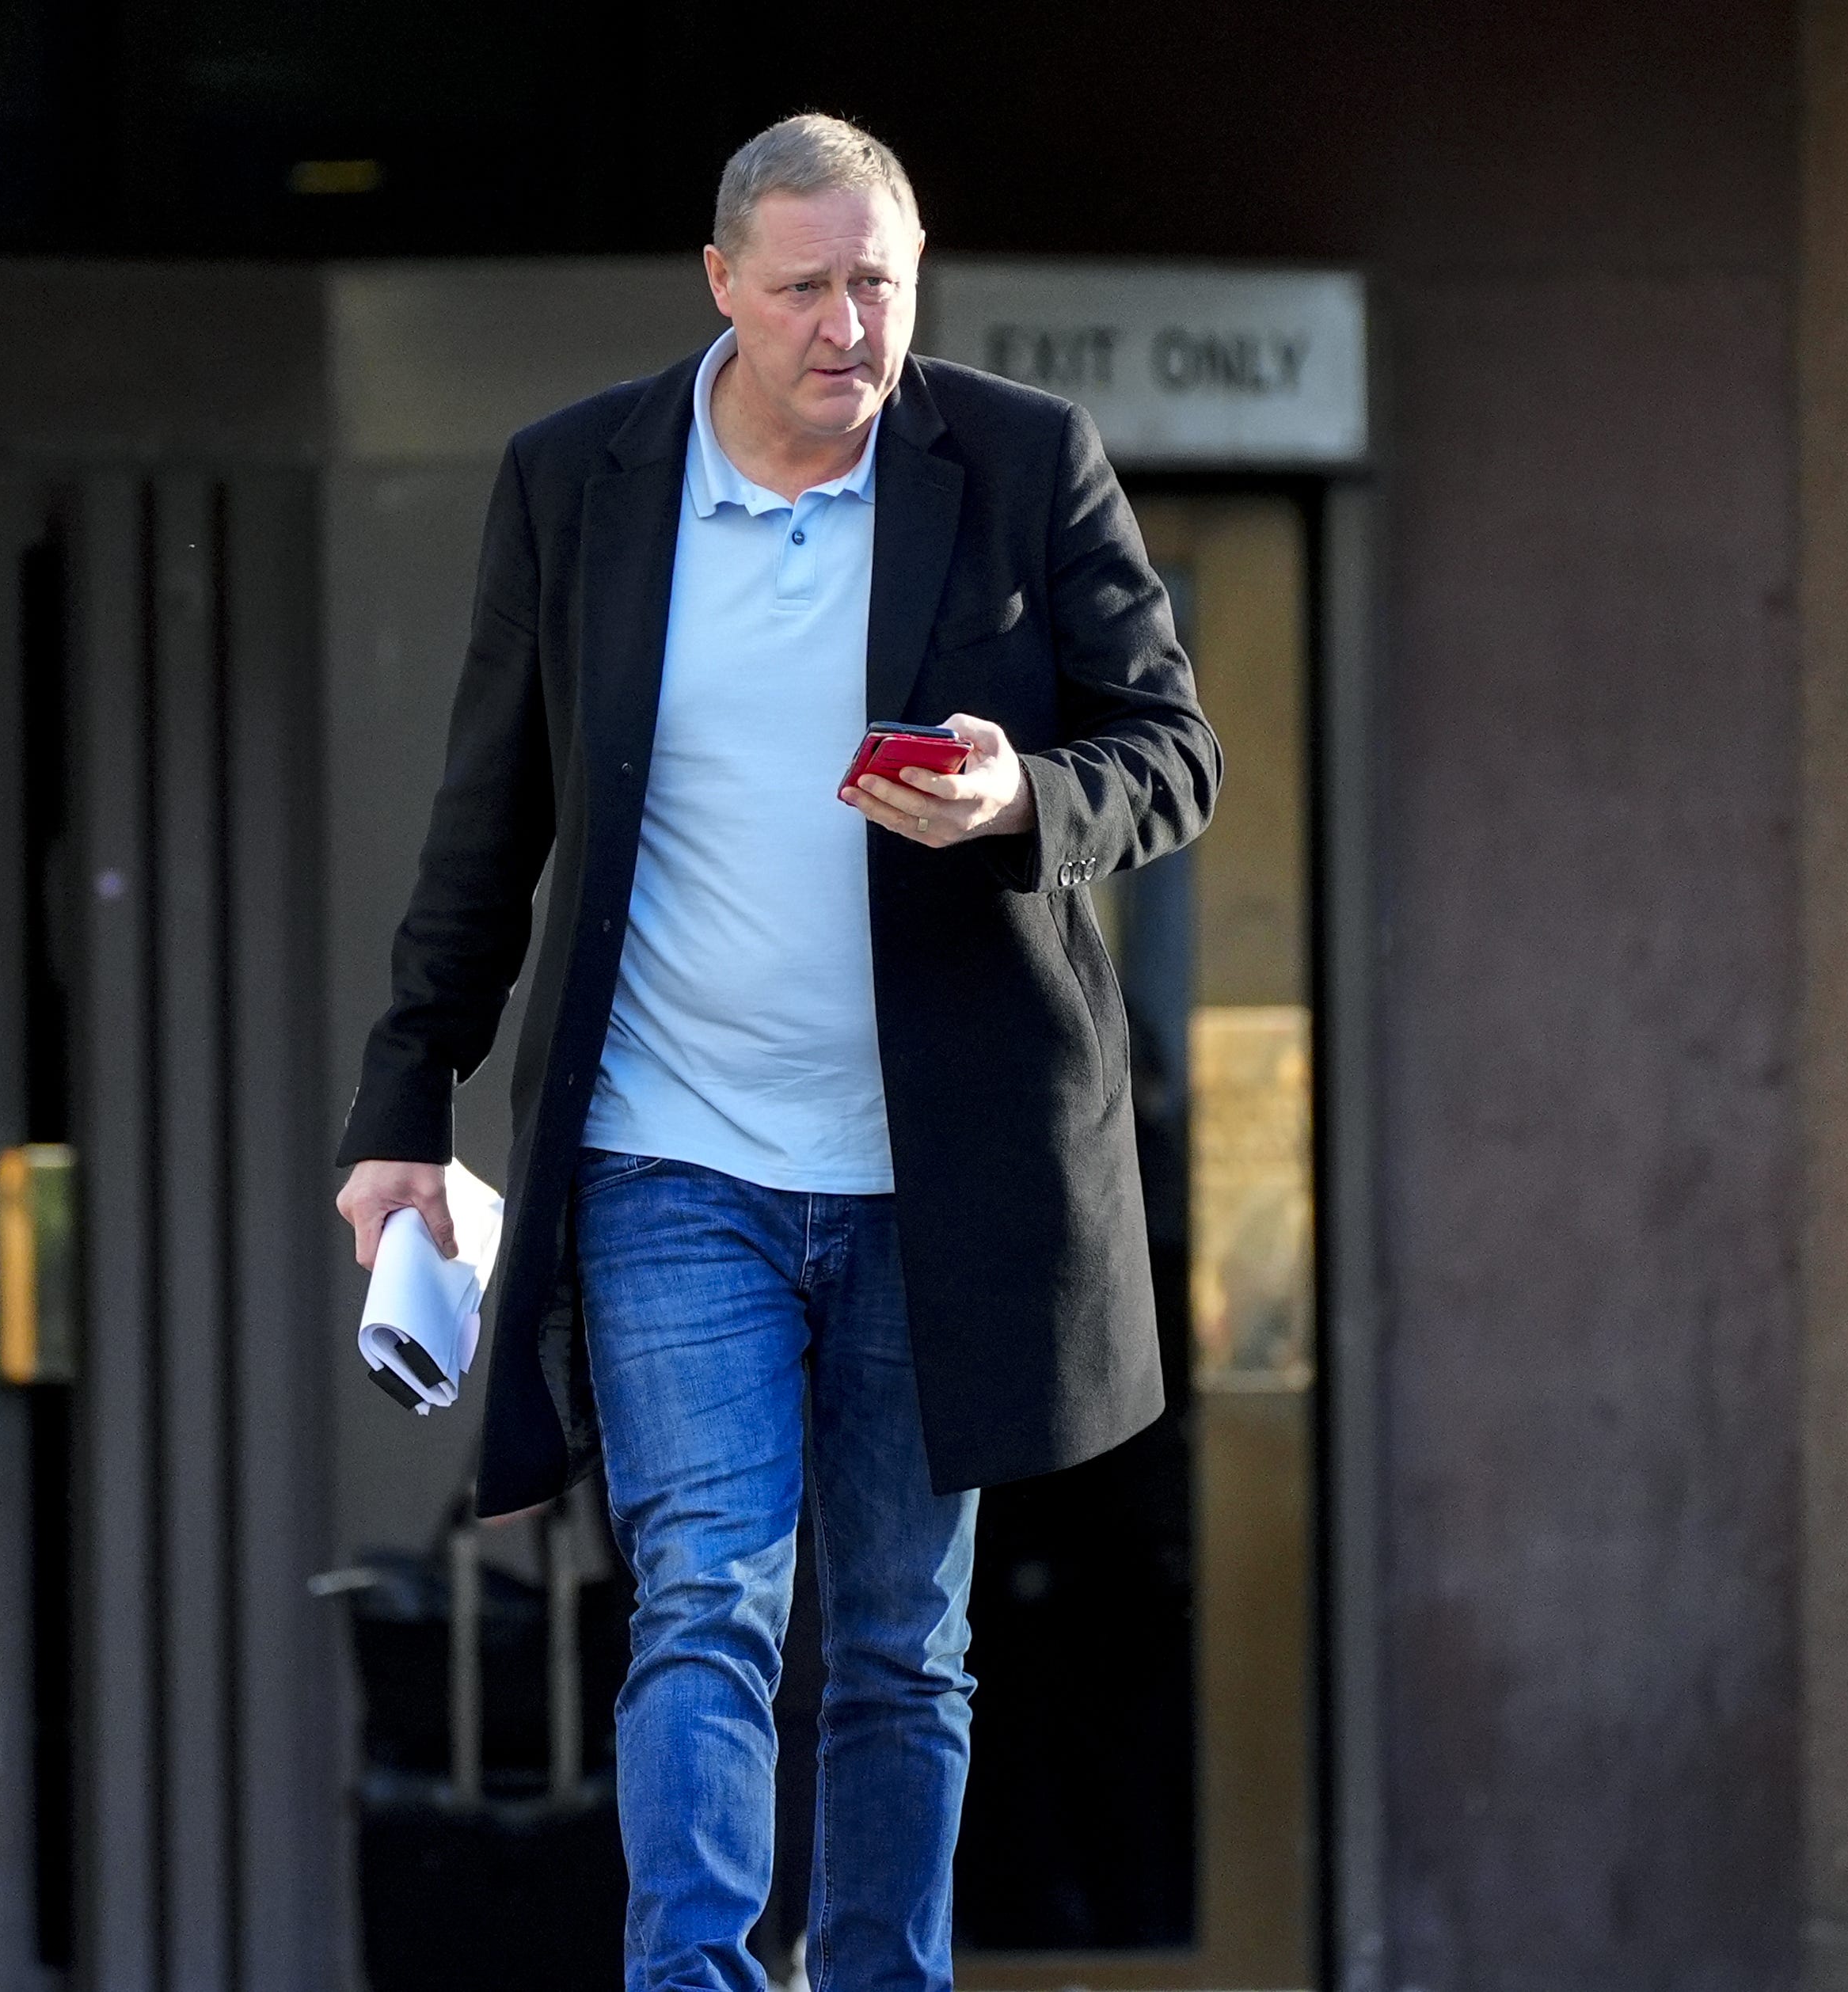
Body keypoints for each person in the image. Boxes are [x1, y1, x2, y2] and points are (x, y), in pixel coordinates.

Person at [333, 112, 1219, 1992]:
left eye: (878, 281)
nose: (847, 324)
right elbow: (490, 822)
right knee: (708, 1602)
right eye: (805, 285)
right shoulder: (581, 480)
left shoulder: (1022, 463)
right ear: (722, 284)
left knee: (903, 1639)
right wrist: (403, 1105)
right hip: (673, 1157)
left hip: (936, 1170)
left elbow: (1173, 753)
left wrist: (1020, 794)